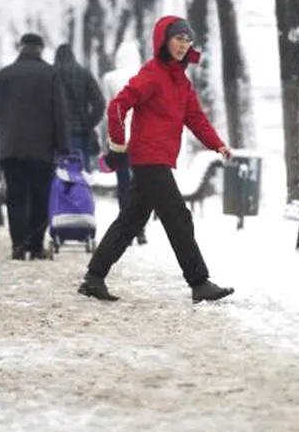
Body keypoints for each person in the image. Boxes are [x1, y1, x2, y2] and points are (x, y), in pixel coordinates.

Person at [78, 16, 234, 304]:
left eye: (187, 40)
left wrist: (217, 144)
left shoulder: (181, 81)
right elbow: (117, 106)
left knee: (131, 220)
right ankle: (199, 282)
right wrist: (117, 145)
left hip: (159, 158)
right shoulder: (152, 74)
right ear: (164, 40)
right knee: (177, 216)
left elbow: (195, 118)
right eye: (178, 39)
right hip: (149, 158)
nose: (183, 45)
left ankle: (94, 277)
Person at [0, 32, 68, 261]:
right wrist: (63, 146)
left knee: (16, 196)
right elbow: (59, 113)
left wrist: (4, 136)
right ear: (41, 49)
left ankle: (18, 245)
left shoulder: (4, 76)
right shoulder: (51, 74)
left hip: (11, 148)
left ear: (21, 47)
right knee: (40, 196)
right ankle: (35, 246)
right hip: (42, 150)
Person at [100, 42, 147, 245]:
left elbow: (107, 111)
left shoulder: (110, 79)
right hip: (142, 139)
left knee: (123, 184)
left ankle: (125, 230)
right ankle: (140, 229)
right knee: (141, 184)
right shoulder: (145, 76)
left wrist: (106, 140)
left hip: (119, 139)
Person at [52, 44, 106, 171]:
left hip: (56, 136)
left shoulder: (51, 75)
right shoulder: (84, 73)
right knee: (80, 173)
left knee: (59, 173)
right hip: (80, 134)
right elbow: (100, 103)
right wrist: (89, 122)